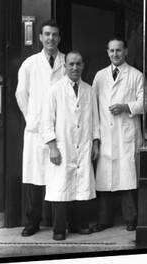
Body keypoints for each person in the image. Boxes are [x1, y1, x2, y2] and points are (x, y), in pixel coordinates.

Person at [91, 38, 147, 232]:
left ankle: (131, 218)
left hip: (126, 133)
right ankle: (104, 219)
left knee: (127, 179)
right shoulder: (99, 77)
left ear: (125, 51)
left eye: (118, 50)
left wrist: (126, 107)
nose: (115, 54)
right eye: (111, 51)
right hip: (106, 135)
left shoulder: (136, 75)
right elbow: (93, 109)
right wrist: (96, 139)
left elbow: (146, 103)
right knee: (105, 180)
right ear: (107, 53)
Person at [41, 51, 100, 241]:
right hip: (62, 146)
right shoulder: (55, 90)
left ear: (83, 66)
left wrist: (96, 143)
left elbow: (95, 120)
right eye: (71, 64)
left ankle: (78, 224)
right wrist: (52, 147)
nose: (75, 68)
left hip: (83, 144)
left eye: (78, 64)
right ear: (65, 66)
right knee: (61, 187)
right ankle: (59, 229)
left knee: (81, 186)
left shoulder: (89, 90)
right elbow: (47, 121)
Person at [15, 20, 65, 237]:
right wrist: (32, 119)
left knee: (59, 178)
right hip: (36, 131)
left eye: (54, 35)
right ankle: (32, 222)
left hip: (60, 129)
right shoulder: (30, 64)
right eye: (46, 34)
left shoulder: (66, 62)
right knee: (35, 178)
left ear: (59, 38)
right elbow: (21, 94)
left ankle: (59, 224)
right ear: (39, 37)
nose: (50, 38)